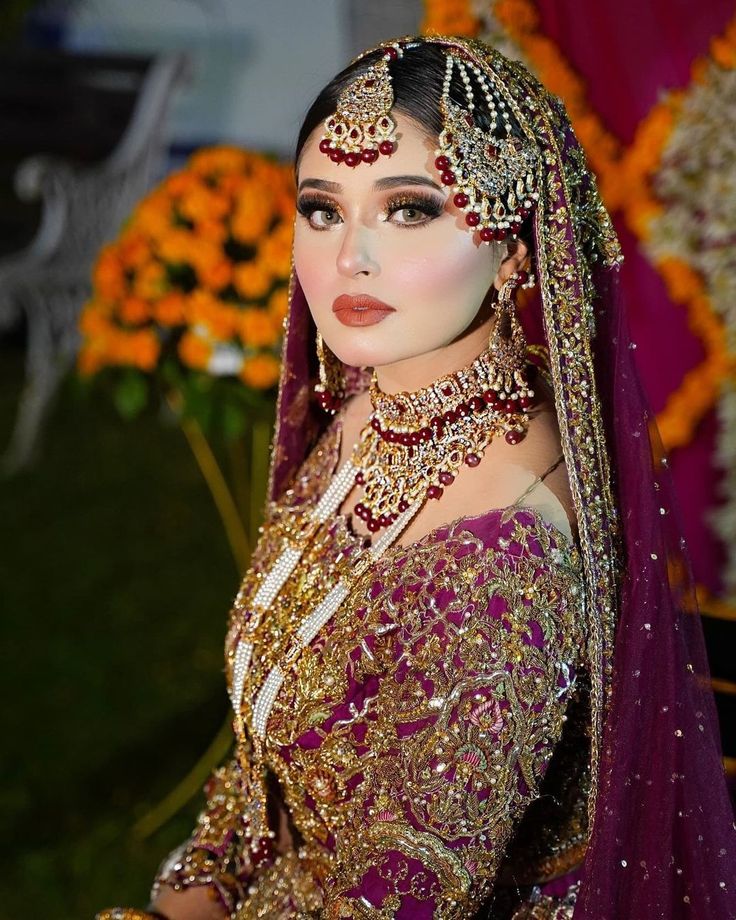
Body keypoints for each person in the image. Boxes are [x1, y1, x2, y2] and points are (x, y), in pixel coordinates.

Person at [97, 35, 736, 920]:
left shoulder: (507, 549)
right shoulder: (370, 406)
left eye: (408, 210)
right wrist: (194, 893)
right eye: (322, 209)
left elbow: (397, 893)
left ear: (512, 245)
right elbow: (267, 761)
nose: (350, 256)